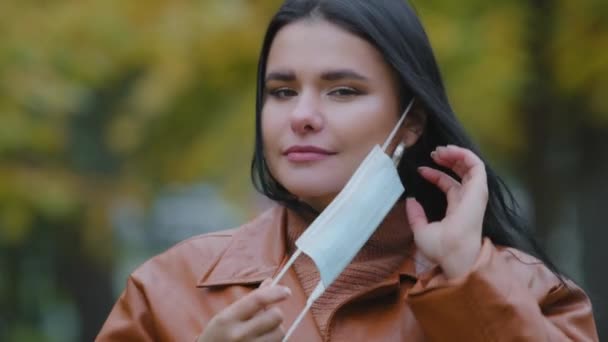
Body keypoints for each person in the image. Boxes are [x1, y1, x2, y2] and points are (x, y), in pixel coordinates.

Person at [97, 0, 598, 341]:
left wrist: (468, 282)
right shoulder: (169, 290)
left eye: (343, 91)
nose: (302, 115)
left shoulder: (526, 291)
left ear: (411, 121)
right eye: (282, 91)